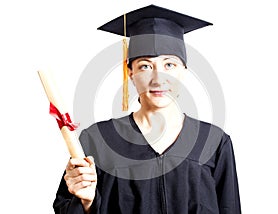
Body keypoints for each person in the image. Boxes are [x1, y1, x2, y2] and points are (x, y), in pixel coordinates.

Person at [53, 4, 241, 214]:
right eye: (145, 66)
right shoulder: (99, 140)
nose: (158, 79)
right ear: (130, 72)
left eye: (169, 65)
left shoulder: (213, 142)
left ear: (184, 71)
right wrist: (86, 203)